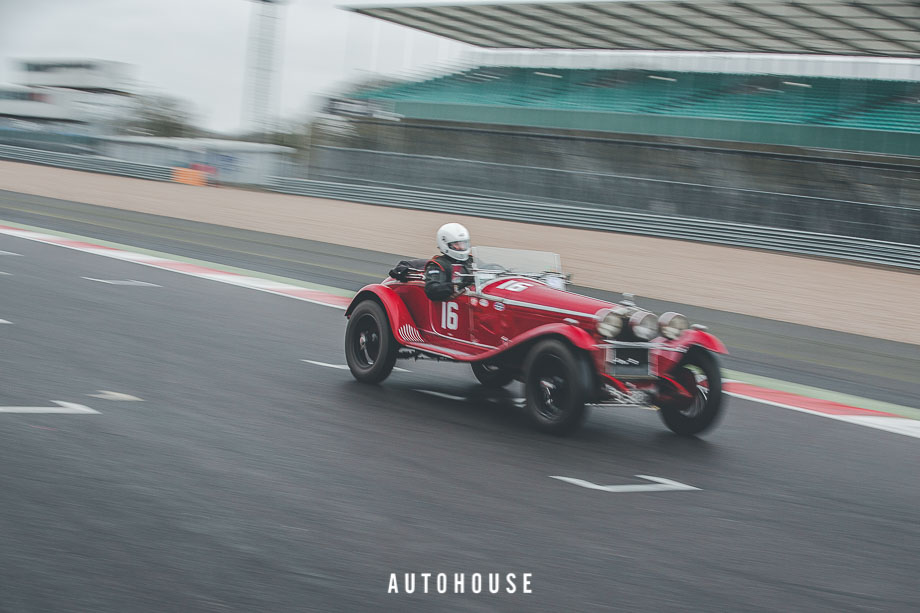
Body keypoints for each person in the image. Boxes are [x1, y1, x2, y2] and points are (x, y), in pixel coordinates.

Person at [423, 222, 472, 301]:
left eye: (463, 244)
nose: (461, 247)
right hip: (453, 303)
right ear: (445, 244)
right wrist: (457, 286)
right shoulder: (437, 265)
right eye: (457, 244)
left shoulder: (471, 260)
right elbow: (433, 290)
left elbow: (486, 270)